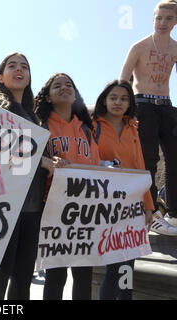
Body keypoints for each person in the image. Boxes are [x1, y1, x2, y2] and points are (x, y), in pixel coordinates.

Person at [0, 52, 47, 300]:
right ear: (1, 77)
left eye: (25, 67)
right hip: (2, 207)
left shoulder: (35, 118)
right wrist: (43, 160)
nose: (19, 70)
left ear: (29, 78)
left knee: (23, 281)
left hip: (32, 209)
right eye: (12, 66)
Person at [34, 73, 101, 300]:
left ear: (75, 95)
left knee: (83, 275)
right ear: (49, 97)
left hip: (85, 210)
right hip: (52, 207)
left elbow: (96, 168)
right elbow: (28, 159)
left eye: (69, 85)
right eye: (57, 85)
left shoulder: (86, 129)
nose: (64, 88)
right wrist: (48, 164)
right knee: (56, 274)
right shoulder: (40, 125)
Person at [92, 80, 154, 300]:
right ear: (104, 100)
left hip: (132, 207)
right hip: (105, 206)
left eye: (124, 98)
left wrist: (148, 206)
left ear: (130, 103)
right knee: (114, 267)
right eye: (113, 98)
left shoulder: (133, 128)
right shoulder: (93, 126)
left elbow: (140, 167)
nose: (118, 102)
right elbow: (88, 162)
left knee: (127, 268)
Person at [120, 0, 177, 235]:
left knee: (175, 156)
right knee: (149, 160)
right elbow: (123, 80)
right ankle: (151, 213)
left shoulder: (175, 48)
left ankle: (173, 212)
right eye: (158, 18)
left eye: (168, 18)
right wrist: (125, 110)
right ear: (153, 18)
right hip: (142, 104)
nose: (162, 23)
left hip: (166, 106)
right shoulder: (139, 46)